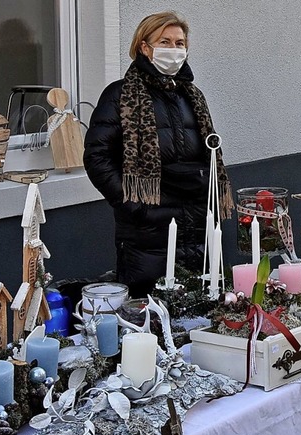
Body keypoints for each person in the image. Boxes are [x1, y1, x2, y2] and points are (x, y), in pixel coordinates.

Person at [84, 11, 233, 298]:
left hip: (197, 226)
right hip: (148, 234)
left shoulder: (192, 97)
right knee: (149, 315)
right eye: (165, 41)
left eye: (180, 43)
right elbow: (97, 157)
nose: (174, 50)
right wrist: (134, 206)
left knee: (200, 309)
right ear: (144, 46)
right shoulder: (121, 95)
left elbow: (209, 155)